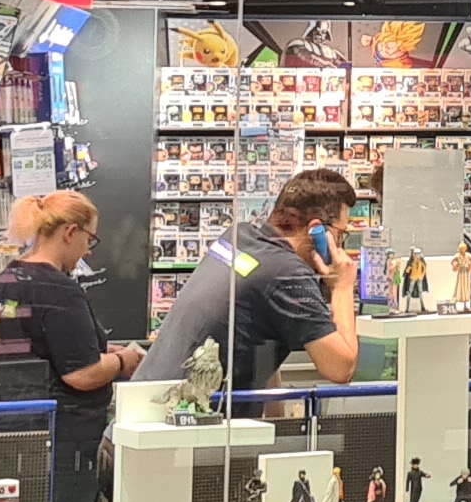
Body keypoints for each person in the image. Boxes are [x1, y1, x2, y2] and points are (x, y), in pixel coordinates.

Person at [0, 190, 137, 502]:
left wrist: (101, 354)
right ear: (70, 232)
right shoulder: (60, 290)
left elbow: (48, 353)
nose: (87, 252)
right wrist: (124, 360)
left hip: (13, 429)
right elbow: (80, 374)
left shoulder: (8, 278)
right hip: (65, 439)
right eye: (89, 241)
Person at [139, 167, 363, 397]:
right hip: (184, 413)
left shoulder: (239, 238)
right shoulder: (287, 271)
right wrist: (342, 287)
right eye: (340, 234)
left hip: (146, 402)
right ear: (316, 230)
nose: (340, 246)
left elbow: (256, 338)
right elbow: (341, 368)